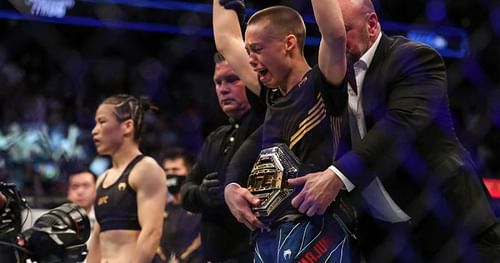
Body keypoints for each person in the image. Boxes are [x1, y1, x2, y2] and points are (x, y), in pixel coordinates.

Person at [292, 0, 500, 262]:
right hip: (386, 239)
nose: (338, 39)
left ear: (372, 24)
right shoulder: (330, 75)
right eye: (332, 32)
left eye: (346, 30)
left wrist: (337, 176)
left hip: (456, 229)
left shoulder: (414, 58)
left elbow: (400, 126)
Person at [214, 1, 352, 262]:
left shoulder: (322, 84)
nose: (250, 61)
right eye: (247, 51)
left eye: (256, 50)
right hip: (268, 236)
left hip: (317, 231)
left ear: (288, 43)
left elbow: (334, 35)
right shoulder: (272, 95)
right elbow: (225, 40)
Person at [180, 52, 265, 262]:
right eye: (218, 82)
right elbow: (186, 189)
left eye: (233, 79)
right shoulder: (216, 138)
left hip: (256, 252)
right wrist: (201, 194)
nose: (223, 89)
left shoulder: (267, 123)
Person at [87, 94, 167, 263]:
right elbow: (97, 239)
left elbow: (152, 233)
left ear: (127, 126)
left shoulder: (146, 169)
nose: (94, 130)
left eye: (102, 122)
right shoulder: (103, 178)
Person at [157, 148, 204, 263]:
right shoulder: (160, 210)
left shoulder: (202, 207)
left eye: (175, 170)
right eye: (166, 170)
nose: (170, 174)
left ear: (189, 172)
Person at [67, 168, 97, 232]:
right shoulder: (59, 222)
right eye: (75, 186)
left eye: (86, 186)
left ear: (96, 190)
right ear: (68, 192)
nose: (80, 192)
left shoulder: (105, 219)